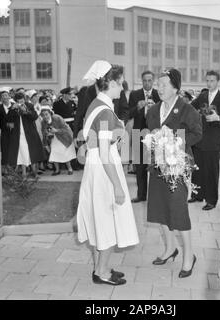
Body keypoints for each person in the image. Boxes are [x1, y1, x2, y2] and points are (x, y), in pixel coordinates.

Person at [77, 61, 139, 285]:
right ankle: (101, 273)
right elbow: (104, 154)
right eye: (120, 83)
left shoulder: (97, 104)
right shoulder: (104, 111)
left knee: (100, 218)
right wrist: (118, 185)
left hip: (97, 166)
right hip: (104, 169)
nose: (122, 88)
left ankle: (101, 267)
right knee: (106, 220)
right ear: (111, 82)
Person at [146, 69, 202, 278]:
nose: (158, 88)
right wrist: (151, 138)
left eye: (163, 85)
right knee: (161, 210)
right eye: (157, 84)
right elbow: (148, 136)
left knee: (178, 211)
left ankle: (189, 255)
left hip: (178, 168)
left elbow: (197, 134)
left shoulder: (187, 109)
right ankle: (170, 249)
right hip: (158, 166)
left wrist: (174, 138)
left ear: (176, 88)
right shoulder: (152, 111)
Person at [189, 70, 220, 210]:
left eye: (212, 80)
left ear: (217, 81)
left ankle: (211, 200)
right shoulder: (202, 96)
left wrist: (219, 118)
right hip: (199, 140)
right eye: (207, 80)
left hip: (213, 141)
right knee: (197, 169)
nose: (209, 83)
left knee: (211, 171)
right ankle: (197, 194)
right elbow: (191, 108)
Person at [129, 70, 160, 203]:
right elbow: (128, 114)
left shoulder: (159, 94)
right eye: (145, 80)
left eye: (149, 80)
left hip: (154, 134)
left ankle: (155, 196)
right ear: (141, 81)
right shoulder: (134, 94)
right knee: (140, 168)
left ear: (153, 81)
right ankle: (141, 195)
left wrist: (156, 109)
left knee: (156, 166)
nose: (147, 83)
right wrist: (137, 107)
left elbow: (165, 114)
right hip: (138, 133)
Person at [6, 92, 45, 179]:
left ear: (24, 99)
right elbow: (8, 119)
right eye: (19, 101)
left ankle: (34, 172)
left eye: (22, 100)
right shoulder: (13, 107)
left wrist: (26, 111)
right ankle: (24, 173)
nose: (21, 102)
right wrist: (12, 109)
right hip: (18, 135)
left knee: (32, 152)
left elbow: (34, 117)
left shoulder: (29, 105)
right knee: (22, 153)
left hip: (30, 134)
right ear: (16, 101)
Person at [40, 106, 75, 175]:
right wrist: (45, 144)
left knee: (64, 152)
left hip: (64, 138)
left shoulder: (57, 118)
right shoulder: (43, 122)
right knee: (53, 152)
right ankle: (57, 170)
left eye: (46, 114)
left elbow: (66, 129)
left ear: (50, 113)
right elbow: (44, 134)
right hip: (53, 139)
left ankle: (70, 168)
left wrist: (56, 131)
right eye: (43, 115)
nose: (45, 116)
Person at [0, 90, 14, 172]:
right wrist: (6, 125)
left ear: (9, 96)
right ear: (1, 98)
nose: (5, 97)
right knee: (4, 148)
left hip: (14, 131)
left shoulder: (14, 106)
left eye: (6, 95)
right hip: (4, 131)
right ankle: (5, 168)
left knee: (13, 148)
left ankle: (13, 167)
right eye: (3, 96)